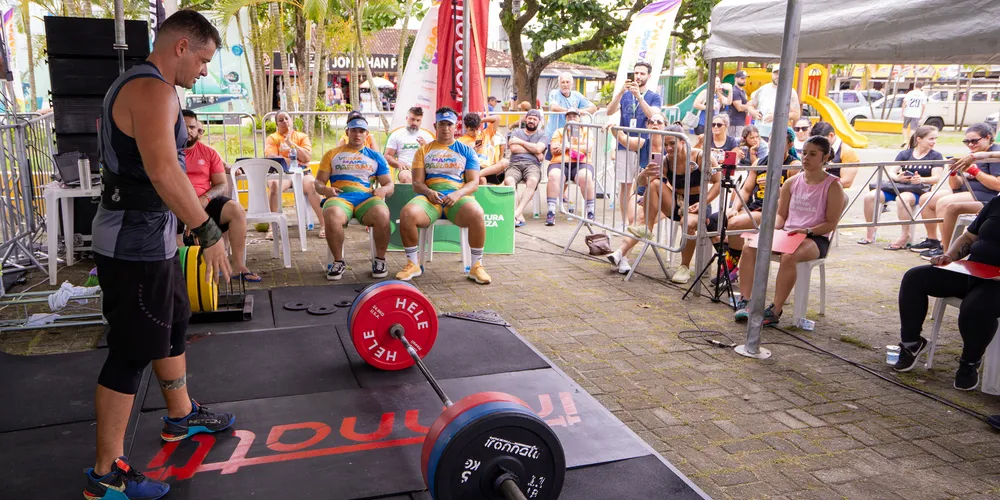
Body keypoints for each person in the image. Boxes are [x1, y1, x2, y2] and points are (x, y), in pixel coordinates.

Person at [85, 11, 234, 500]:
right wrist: (208, 230)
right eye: (204, 60)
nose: (204, 72)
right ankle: (105, 476)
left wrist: (184, 228)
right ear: (181, 47)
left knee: (172, 326)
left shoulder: (150, 87)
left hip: (153, 239)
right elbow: (164, 172)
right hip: (131, 246)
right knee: (130, 354)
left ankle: (180, 417)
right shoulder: (152, 90)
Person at [734, 136, 845, 326]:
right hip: (788, 234)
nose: (806, 158)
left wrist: (808, 230)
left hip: (815, 237)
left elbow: (830, 223)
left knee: (789, 256)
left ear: (825, 157)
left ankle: (775, 309)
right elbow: (781, 216)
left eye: (813, 154)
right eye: (804, 153)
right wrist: (768, 230)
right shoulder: (791, 182)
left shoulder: (833, 186)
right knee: (750, 247)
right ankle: (746, 301)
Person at [892, 195, 1000, 391]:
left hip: (996, 284)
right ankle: (911, 343)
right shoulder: (996, 203)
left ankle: (970, 362)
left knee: (974, 307)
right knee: (914, 278)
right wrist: (948, 256)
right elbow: (969, 237)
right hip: (973, 271)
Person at [607, 118, 721, 281]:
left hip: (698, 203)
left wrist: (702, 204)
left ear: (683, 141)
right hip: (676, 202)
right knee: (653, 184)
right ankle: (647, 227)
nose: (668, 148)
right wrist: (644, 174)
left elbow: (718, 183)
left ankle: (684, 267)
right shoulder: (666, 160)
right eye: (666, 144)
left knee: (687, 223)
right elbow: (641, 184)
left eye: (672, 144)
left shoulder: (701, 156)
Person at [396, 107, 491, 284]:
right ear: (435, 125)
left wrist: (457, 194)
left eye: (449, 124)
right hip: (430, 199)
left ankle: (476, 266)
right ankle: (413, 263)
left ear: (456, 127)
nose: (446, 128)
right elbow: (417, 183)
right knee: (407, 213)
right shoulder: (423, 151)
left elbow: (473, 182)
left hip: (458, 197)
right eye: (442, 124)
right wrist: (429, 192)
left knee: (477, 213)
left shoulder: (467, 150)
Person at [179, 110, 259, 282]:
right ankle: (184, 273)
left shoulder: (209, 153)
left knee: (236, 210)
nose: (189, 131)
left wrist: (205, 198)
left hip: (205, 202)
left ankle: (238, 266)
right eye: (183, 127)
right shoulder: (168, 152)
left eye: (192, 127)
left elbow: (222, 184)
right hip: (175, 204)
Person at [313, 115, 394, 280]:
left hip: (367, 198)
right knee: (332, 214)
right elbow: (318, 183)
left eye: (361, 131)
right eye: (354, 130)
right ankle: (338, 261)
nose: (357, 134)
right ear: (347, 132)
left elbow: (389, 185)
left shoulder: (376, 157)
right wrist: (326, 190)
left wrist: (383, 191)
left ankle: (380, 260)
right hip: (341, 198)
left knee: (383, 213)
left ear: (367, 134)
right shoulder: (332, 154)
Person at [710, 127, 800, 257]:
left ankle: (732, 265)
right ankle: (732, 256)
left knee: (734, 224)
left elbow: (793, 198)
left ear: (790, 144)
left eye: (779, 141)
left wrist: (774, 188)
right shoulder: (759, 163)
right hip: (754, 207)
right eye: (771, 140)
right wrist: (735, 208)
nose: (773, 144)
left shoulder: (793, 165)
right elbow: (746, 190)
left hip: (773, 211)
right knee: (711, 221)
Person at [919, 123, 1000, 260]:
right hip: (968, 192)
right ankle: (933, 240)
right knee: (927, 198)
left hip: (986, 196)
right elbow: (956, 186)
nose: (970, 145)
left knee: (946, 204)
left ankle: (946, 250)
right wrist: (953, 172)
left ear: (988, 138)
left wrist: (975, 171)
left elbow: (997, 185)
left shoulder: (992, 156)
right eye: (966, 141)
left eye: (974, 141)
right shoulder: (972, 154)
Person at [859, 126, 944, 249]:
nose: (934, 141)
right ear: (919, 139)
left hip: (919, 190)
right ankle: (870, 232)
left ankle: (905, 235)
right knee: (870, 196)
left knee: (903, 199)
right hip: (899, 187)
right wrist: (899, 178)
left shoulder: (936, 156)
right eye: (931, 138)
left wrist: (921, 179)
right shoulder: (905, 154)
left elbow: (936, 178)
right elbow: (892, 172)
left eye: (935, 138)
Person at [606, 61, 663, 224]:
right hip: (625, 144)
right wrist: (620, 93)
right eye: (636, 73)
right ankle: (625, 222)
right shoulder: (625, 94)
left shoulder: (654, 96)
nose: (638, 76)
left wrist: (639, 96)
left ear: (649, 76)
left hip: (646, 145)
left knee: (644, 185)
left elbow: (653, 115)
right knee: (625, 185)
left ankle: (639, 220)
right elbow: (609, 111)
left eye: (642, 73)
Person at [264, 111, 323, 237]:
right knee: (274, 185)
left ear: (291, 120)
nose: (284, 121)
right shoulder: (273, 138)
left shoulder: (302, 137)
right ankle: (272, 228)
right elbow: (272, 158)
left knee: (313, 185)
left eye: (286, 118)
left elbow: (307, 158)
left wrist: (291, 144)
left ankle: (324, 225)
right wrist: (294, 160)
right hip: (282, 173)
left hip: (302, 172)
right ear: (277, 124)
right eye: (281, 120)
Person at [545, 108, 596, 225]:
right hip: (559, 162)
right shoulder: (559, 131)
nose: (572, 118)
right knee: (553, 176)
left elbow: (588, 147)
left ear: (579, 118)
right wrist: (576, 146)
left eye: (574, 116)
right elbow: (553, 149)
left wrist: (567, 146)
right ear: (566, 119)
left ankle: (590, 212)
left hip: (582, 163)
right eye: (569, 116)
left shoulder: (586, 131)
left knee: (586, 177)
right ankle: (551, 212)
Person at [505, 108, 548, 227]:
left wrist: (521, 142)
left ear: (539, 121)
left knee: (533, 180)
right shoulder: (516, 132)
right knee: (509, 181)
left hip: (532, 165)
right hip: (515, 164)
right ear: (526, 119)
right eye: (530, 118)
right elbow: (514, 149)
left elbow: (540, 149)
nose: (532, 121)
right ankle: (519, 215)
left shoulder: (542, 135)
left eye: (535, 119)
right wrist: (534, 151)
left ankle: (517, 212)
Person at [748, 65, 800, 140]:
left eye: (781, 73)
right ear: (772, 74)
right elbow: (750, 105)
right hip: (759, 133)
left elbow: (796, 114)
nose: (778, 76)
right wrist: (754, 112)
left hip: (778, 133)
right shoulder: (763, 89)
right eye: (776, 73)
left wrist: (777, 116)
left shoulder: (791, 92)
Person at [385, 106, 434, 184]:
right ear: (406, 118)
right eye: (412, 119)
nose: (415, 123)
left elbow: (435, 157)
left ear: (421, 121)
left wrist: (426, 147)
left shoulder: (427, 136)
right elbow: (388, 156)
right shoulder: (396, 135)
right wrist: (398, 164)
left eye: (418, 120)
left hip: (424, 168)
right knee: (406, 178)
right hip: (405, 169)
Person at [458, 113, 510, 185]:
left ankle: (477, 175)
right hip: (474, 167)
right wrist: (472, 152)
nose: (475, 132)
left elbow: (497, 118)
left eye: (477, 128)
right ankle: (477, 175)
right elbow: (460, 161)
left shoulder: (485, 134)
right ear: (466, 127)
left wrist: (479, 121)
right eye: (472, 130)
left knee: (505, 162)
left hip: (489, 169)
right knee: (482, 179)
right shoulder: (461, 141)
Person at [545, 72, 598, 137]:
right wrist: (571, 111)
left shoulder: (577, 95)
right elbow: (553, 107)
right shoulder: (554, 93)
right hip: (554, 135)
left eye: (567, 82)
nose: (565, 84)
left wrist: (580, 111)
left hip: (572, 135)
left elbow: (593, 108)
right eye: (563, 82)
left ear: (571, 84)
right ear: (559, 84)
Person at [809, 121, 860, 188]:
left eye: (821, 141)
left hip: (834, 192)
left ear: (831, 135)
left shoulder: (847, 152)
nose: (818, 144)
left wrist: (819, 184)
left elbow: (846, 182)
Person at [902, 81, 928, 147]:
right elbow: (923, 106)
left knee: (905, 127)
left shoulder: (910, 93)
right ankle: (909, 142)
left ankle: (905, 140)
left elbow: (904, 102)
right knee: (913, 129)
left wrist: (902, 112)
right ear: (921, 87)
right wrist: (921, 115)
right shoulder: (923, 95)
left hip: (907, 112)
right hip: (916, 113)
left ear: (915, 86)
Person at [728, 70, 750, 137]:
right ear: (736, 78)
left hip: (741, 122)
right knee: (735, 143)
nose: (744, 80)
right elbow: (739, 108)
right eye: (742, 78)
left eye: (745, 78)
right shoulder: (734, 91)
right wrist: (749, 107)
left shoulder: (743, 91)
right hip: (735, 123)